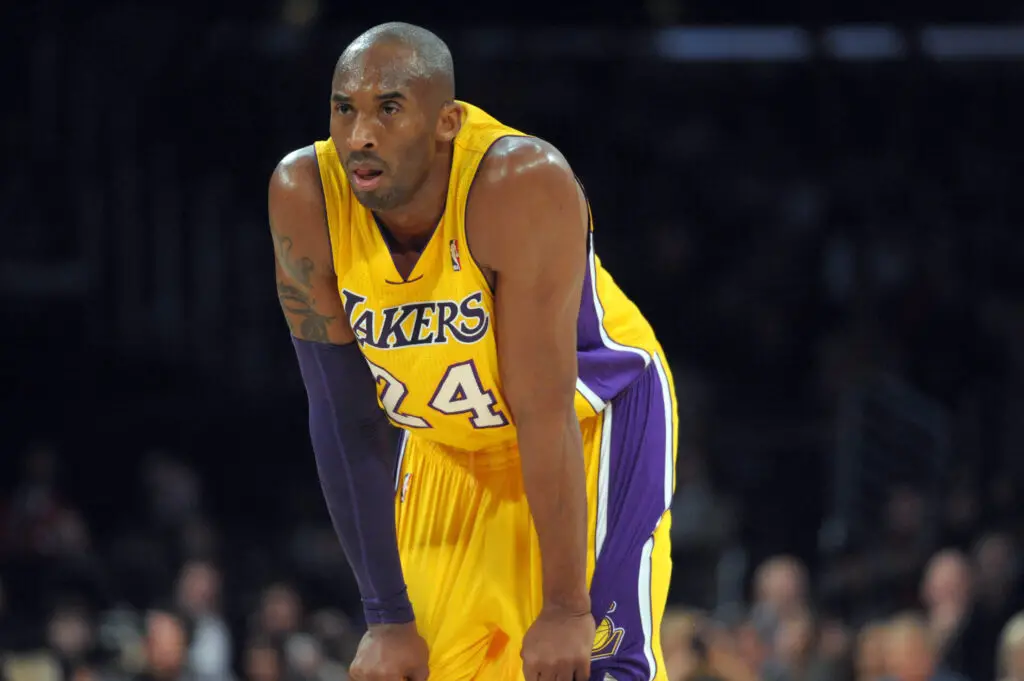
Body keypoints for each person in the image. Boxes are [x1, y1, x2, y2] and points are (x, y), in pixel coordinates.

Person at [269, 21, 677, 681]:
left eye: (389, 109)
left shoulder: (518, 182)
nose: (359, 135)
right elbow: (341, 411)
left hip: (588, 418)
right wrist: (385, 615)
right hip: (447, 442)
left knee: (587, 663)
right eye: (344, 109)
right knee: (424, 665)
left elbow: (542, 411)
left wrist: (569, 604)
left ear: (447, 122)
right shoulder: (304, 195)